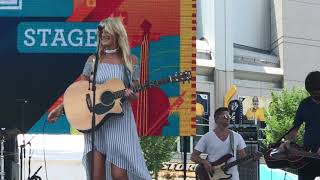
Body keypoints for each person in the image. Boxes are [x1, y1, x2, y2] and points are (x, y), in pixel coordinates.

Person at [47, 17, 152, 180]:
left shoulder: (131, 61)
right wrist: (61, 108)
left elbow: (135, 91)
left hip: (120, 121)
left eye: (107, 31)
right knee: (97, 176)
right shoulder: (93, 60)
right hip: (94, 120)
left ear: (117, 33)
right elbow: (79, 91)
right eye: (101, 32)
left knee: (119, 175)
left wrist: (131, 95)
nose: (102, 35)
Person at [279, 71, 320, 180]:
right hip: (307, 155)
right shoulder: (304, 104)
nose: (314, 95)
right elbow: (295, 128)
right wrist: (288, 141)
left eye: (317, 92)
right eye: (311, 92)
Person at [191, 107, 247, 180]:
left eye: (229, 116)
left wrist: (253, 160)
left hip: (233, 177)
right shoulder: (207, 137)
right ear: (216, 119)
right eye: (225, 116)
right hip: (213, 176)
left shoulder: (237, 136)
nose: (228, 118)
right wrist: (204, 162)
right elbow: (193, 156)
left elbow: (244, 160)